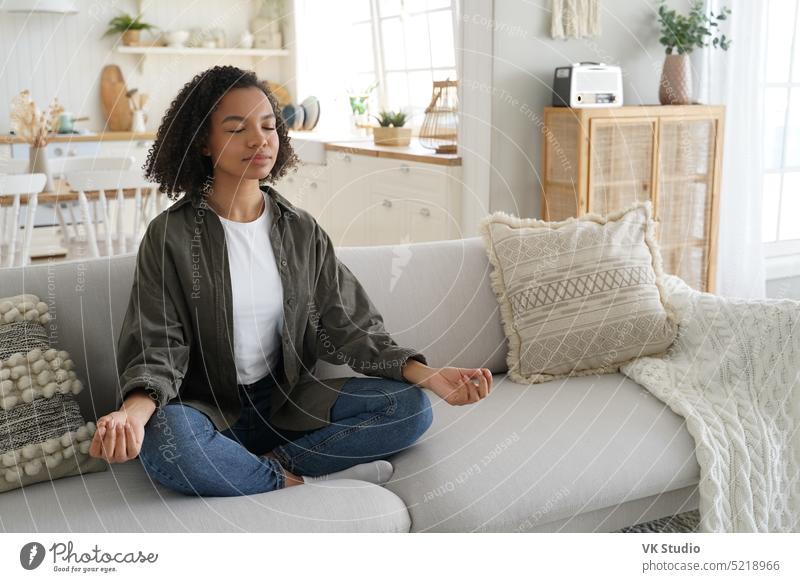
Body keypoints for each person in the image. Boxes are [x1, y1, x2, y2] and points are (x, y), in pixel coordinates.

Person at [88, 65, 492, 496]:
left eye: (268, 126)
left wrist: (428, 375)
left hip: (287, 403)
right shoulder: (170, 235)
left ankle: (267, 467)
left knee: (410, 410)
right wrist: (134, 412)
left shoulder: (301, 231)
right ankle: (296, 482)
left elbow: (350, 327)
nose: (259, 140)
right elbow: (158, 344)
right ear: (204, 142)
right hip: (205, 410)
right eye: (236, 128)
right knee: (167, 442)